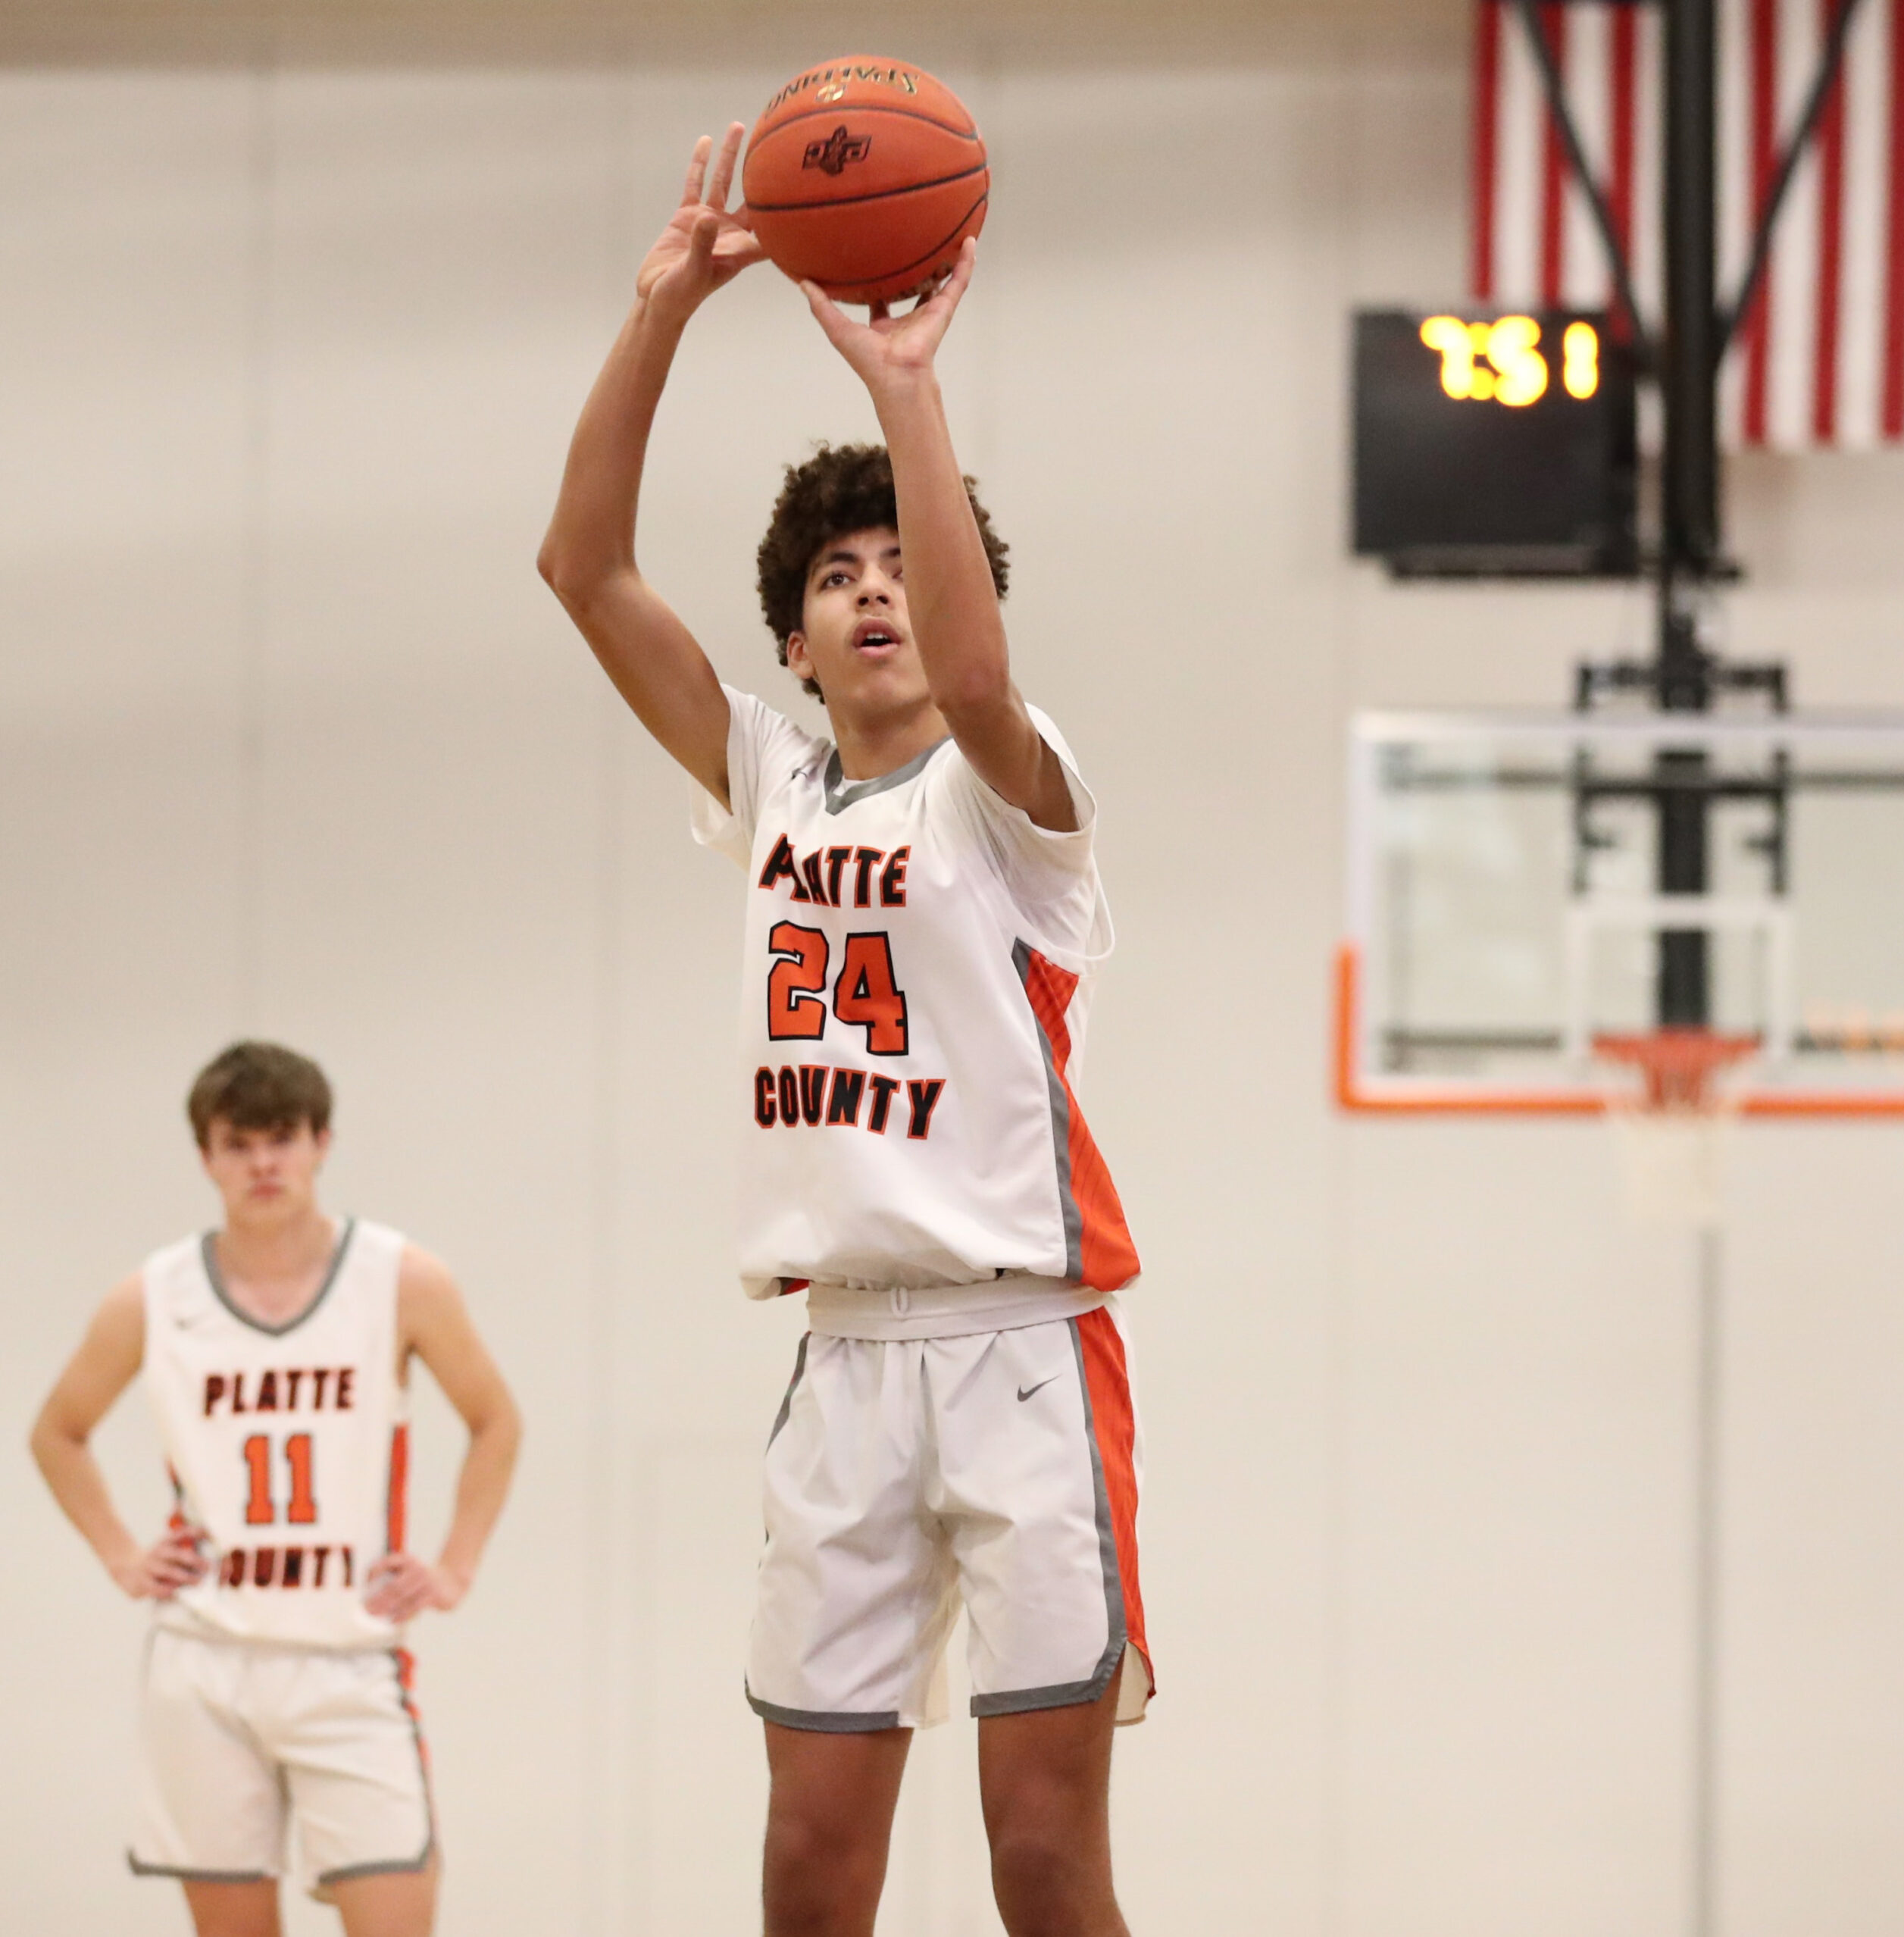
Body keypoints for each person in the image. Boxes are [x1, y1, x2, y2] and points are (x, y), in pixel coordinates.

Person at [539, 124, 1149, 1937]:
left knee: (1041, 1859)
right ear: (794, 645)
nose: (873, 587)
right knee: (809, 1868)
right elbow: (580, 567)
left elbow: (975, 670)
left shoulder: (1009, 792)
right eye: (835, 575)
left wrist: (903, 387)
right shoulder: (768, 778)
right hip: (844, 1356)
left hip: (1022, 1349)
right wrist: (661, 310)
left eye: (898, 560)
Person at [29, 1040, 521, 1937]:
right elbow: (56, 1431)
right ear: (206, 1157)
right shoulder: (154, 1295)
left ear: (321, 1142)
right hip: (204, 1661)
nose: (263, 1163)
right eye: (239, 1143)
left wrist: (455, 1567)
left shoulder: (400, 1279)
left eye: (282, 1138)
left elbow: (496, 1419)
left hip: (348, 1654)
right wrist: (122, 1555)